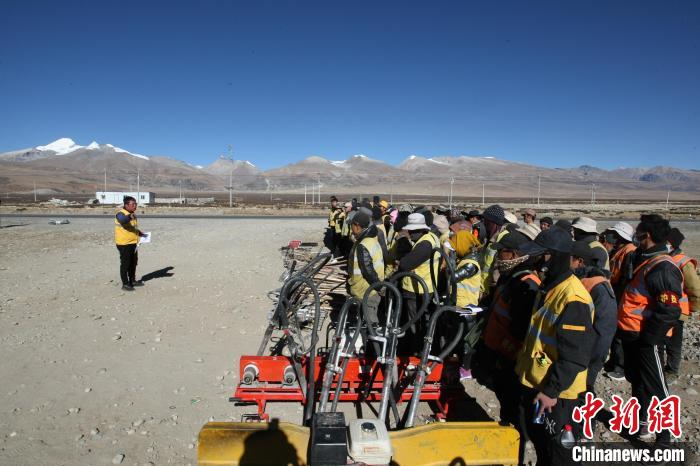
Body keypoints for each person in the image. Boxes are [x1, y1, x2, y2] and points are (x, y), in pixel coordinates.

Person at [515, 227, 594, 466]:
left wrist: (551, 391)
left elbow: (575, 356)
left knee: (560, 454)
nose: (536, 262)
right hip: (538, 382)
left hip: (560, 395)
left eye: (541, 255)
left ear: (554, 257)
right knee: (543, 448)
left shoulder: (573, 298)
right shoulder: (549, 287)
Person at [618, 214, 683, 443]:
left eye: (638, 233)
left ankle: (665, 440)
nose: (635, 237)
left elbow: (670, 310)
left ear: (646, 235)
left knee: (657, 388)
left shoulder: (662, 267)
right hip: (634, 335)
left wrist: (649, 339)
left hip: (647, 338)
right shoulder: (646, 261)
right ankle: (643, 424)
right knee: (639, 383)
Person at [478, 231, 540, 464]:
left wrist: (505, 354)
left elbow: (522, 329)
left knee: (515, 404)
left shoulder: (527, 284)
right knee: (506, 400)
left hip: (512, 358)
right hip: (501, 353)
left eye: (501, 252)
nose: (498, 257)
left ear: (513, 254)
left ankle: (518, 445)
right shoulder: (512, 277)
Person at [570, 241, 617, 397]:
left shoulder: (599, 288)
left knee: (582, 394)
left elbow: (604, 332)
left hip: (585, 359)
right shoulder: (574, 279)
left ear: (580, 261)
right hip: (570, 356)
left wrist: (592, 364)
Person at [394, 213, 441, 352]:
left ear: (421, 230)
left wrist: (401, 261)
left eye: (412, 231)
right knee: (421, 321)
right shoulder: (431, 237)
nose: (409, 234)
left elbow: (405, 264)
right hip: (425, 287)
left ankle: (414, 350)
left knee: (413, 323)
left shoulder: (424, 245)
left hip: (416, 290)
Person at [662, 228, 699, 384]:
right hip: (663, 307)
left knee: (674, 342)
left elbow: (694, 288)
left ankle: (672, 370)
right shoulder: (664, 258)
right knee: (662, 338)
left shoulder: (683, 262)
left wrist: (693, 308)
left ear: (671, 243)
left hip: (678, 310)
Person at [599, 222, 636, 381]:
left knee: (620, 333)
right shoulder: (621, 250)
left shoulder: (629, 252)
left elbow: (627, 279)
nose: (611, 236)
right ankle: (614, 361)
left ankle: (620, 367)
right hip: (617, 294)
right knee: (614, 332)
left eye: (614, 234)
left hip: (622, 296)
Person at [447, 230, 483, 380]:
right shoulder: (465, 260)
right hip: (460, 306)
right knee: (457, 338)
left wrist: (449, 260)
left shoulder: (470, 264)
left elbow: (453, 277)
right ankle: (457, 366)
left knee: (467, 342)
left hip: (467, 308)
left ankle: (466, 370)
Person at [347, 211, 385, 324]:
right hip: (370, 290)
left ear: (357, 226)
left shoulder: (363, 245)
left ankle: (372, 335)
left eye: (351, 226)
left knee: (370, 323)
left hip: (366, 292)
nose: (351, 229)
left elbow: (367, 270)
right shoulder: (371, 240)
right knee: (365, 323)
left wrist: (379, 287)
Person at [114, 196, 146, 291]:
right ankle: (125, 284)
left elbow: (131, 228)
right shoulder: (120, 213)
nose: (135, 206)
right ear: (126, 205)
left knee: (133, 263)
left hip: (133, 243)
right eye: (133, 204)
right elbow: (123, 220)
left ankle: (132, 280)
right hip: (124, 244)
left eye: (135, 204)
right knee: (125, 264)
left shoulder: (132, 214)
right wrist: (129, 217)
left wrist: (140, 233)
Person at [479, 205, 509, 294]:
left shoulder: (504, 239)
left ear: (493, 223)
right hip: (483, 288)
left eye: (486, 221)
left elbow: (499, 272)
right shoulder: (491, 237)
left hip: (491, 291)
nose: (484, 224)